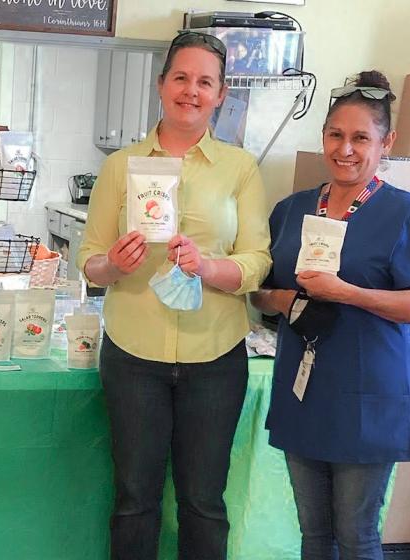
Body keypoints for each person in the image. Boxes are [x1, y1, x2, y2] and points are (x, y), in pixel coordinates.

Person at [77, 31, 272, 559]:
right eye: (181, 78)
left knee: (203, 502)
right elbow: (89, 257)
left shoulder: (241, 168)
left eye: (204, 81)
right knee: (135, 500)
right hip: (134, 357)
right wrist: (112, 265)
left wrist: (208, 266)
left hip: (215, 358)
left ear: (221, 93)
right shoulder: (121, 167)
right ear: (162, 84)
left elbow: (257, 262)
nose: (191, 90)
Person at [252, 71, 410, 560]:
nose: (345, 149)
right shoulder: (292, 209)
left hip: (367, 398)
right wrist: (283, 301)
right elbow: (259, 292)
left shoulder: (406, 213)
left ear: (387, 142)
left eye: (361, 137)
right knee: (313, 535)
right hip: (304, 391)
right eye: (335, 135)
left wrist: (347, 292)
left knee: (357, 535)